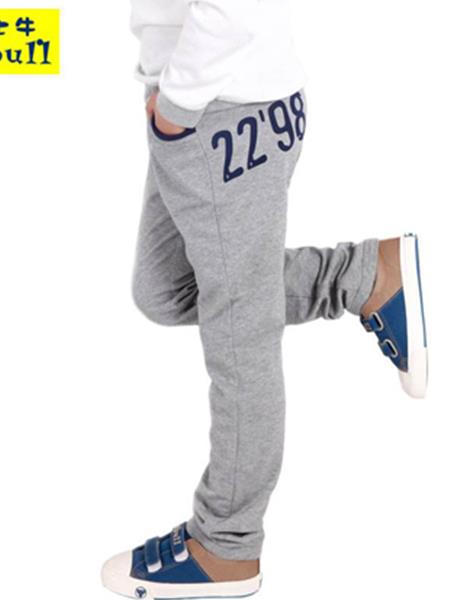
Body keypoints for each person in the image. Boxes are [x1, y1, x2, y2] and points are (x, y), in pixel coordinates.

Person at [102, 1, 428, 598]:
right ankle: (367, 277)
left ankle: (227, 546)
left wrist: (177, 108)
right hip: (207, 101)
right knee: (166, 289)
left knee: (240, 342)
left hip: (220, 113)